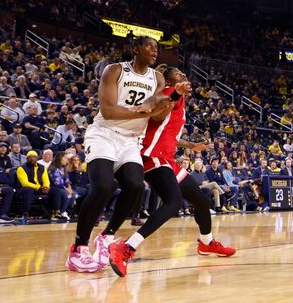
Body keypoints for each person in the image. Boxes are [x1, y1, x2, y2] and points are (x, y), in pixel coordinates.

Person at [105, 66, 234, 277]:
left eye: (184, 74)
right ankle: (126, 247)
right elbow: (156, 118)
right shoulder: (165, 94)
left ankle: (207, 242)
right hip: (151, 155)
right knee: (173, 203)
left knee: (200, 201)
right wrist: (174, 94)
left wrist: (191, 146)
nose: (183, 75)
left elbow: (168, 133)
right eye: (178, 74)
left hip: (166, 158)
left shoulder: (178, 98)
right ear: (167, 81)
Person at [67, 36, 169, 273]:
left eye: (157, 48)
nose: (155, 51)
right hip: (104, 133)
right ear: (135, 49)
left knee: (135, 185)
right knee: (103, 186)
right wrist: (139, 112)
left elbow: (156, 114)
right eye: (149, 46)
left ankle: (106, 236)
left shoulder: (158, 78)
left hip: (131, 140)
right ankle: (78, 249)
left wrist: (166, 106)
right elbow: (108, 110)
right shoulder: (115, 71)